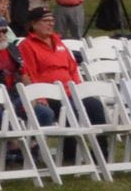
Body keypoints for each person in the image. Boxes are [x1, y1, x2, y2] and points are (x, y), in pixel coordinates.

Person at [18, 15, 105, 163]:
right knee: (70, 108)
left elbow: (72, 69)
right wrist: (39, 96)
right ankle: (70, 152)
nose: (50, 24)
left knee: (94, 105)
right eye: (45, 21)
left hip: (69, 91)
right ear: (34, 24)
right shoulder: (27, 45)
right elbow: (29, 73)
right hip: (47, 94)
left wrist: (78, 89)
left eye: (52, 21)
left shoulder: (58, 42)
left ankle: (102, 151)